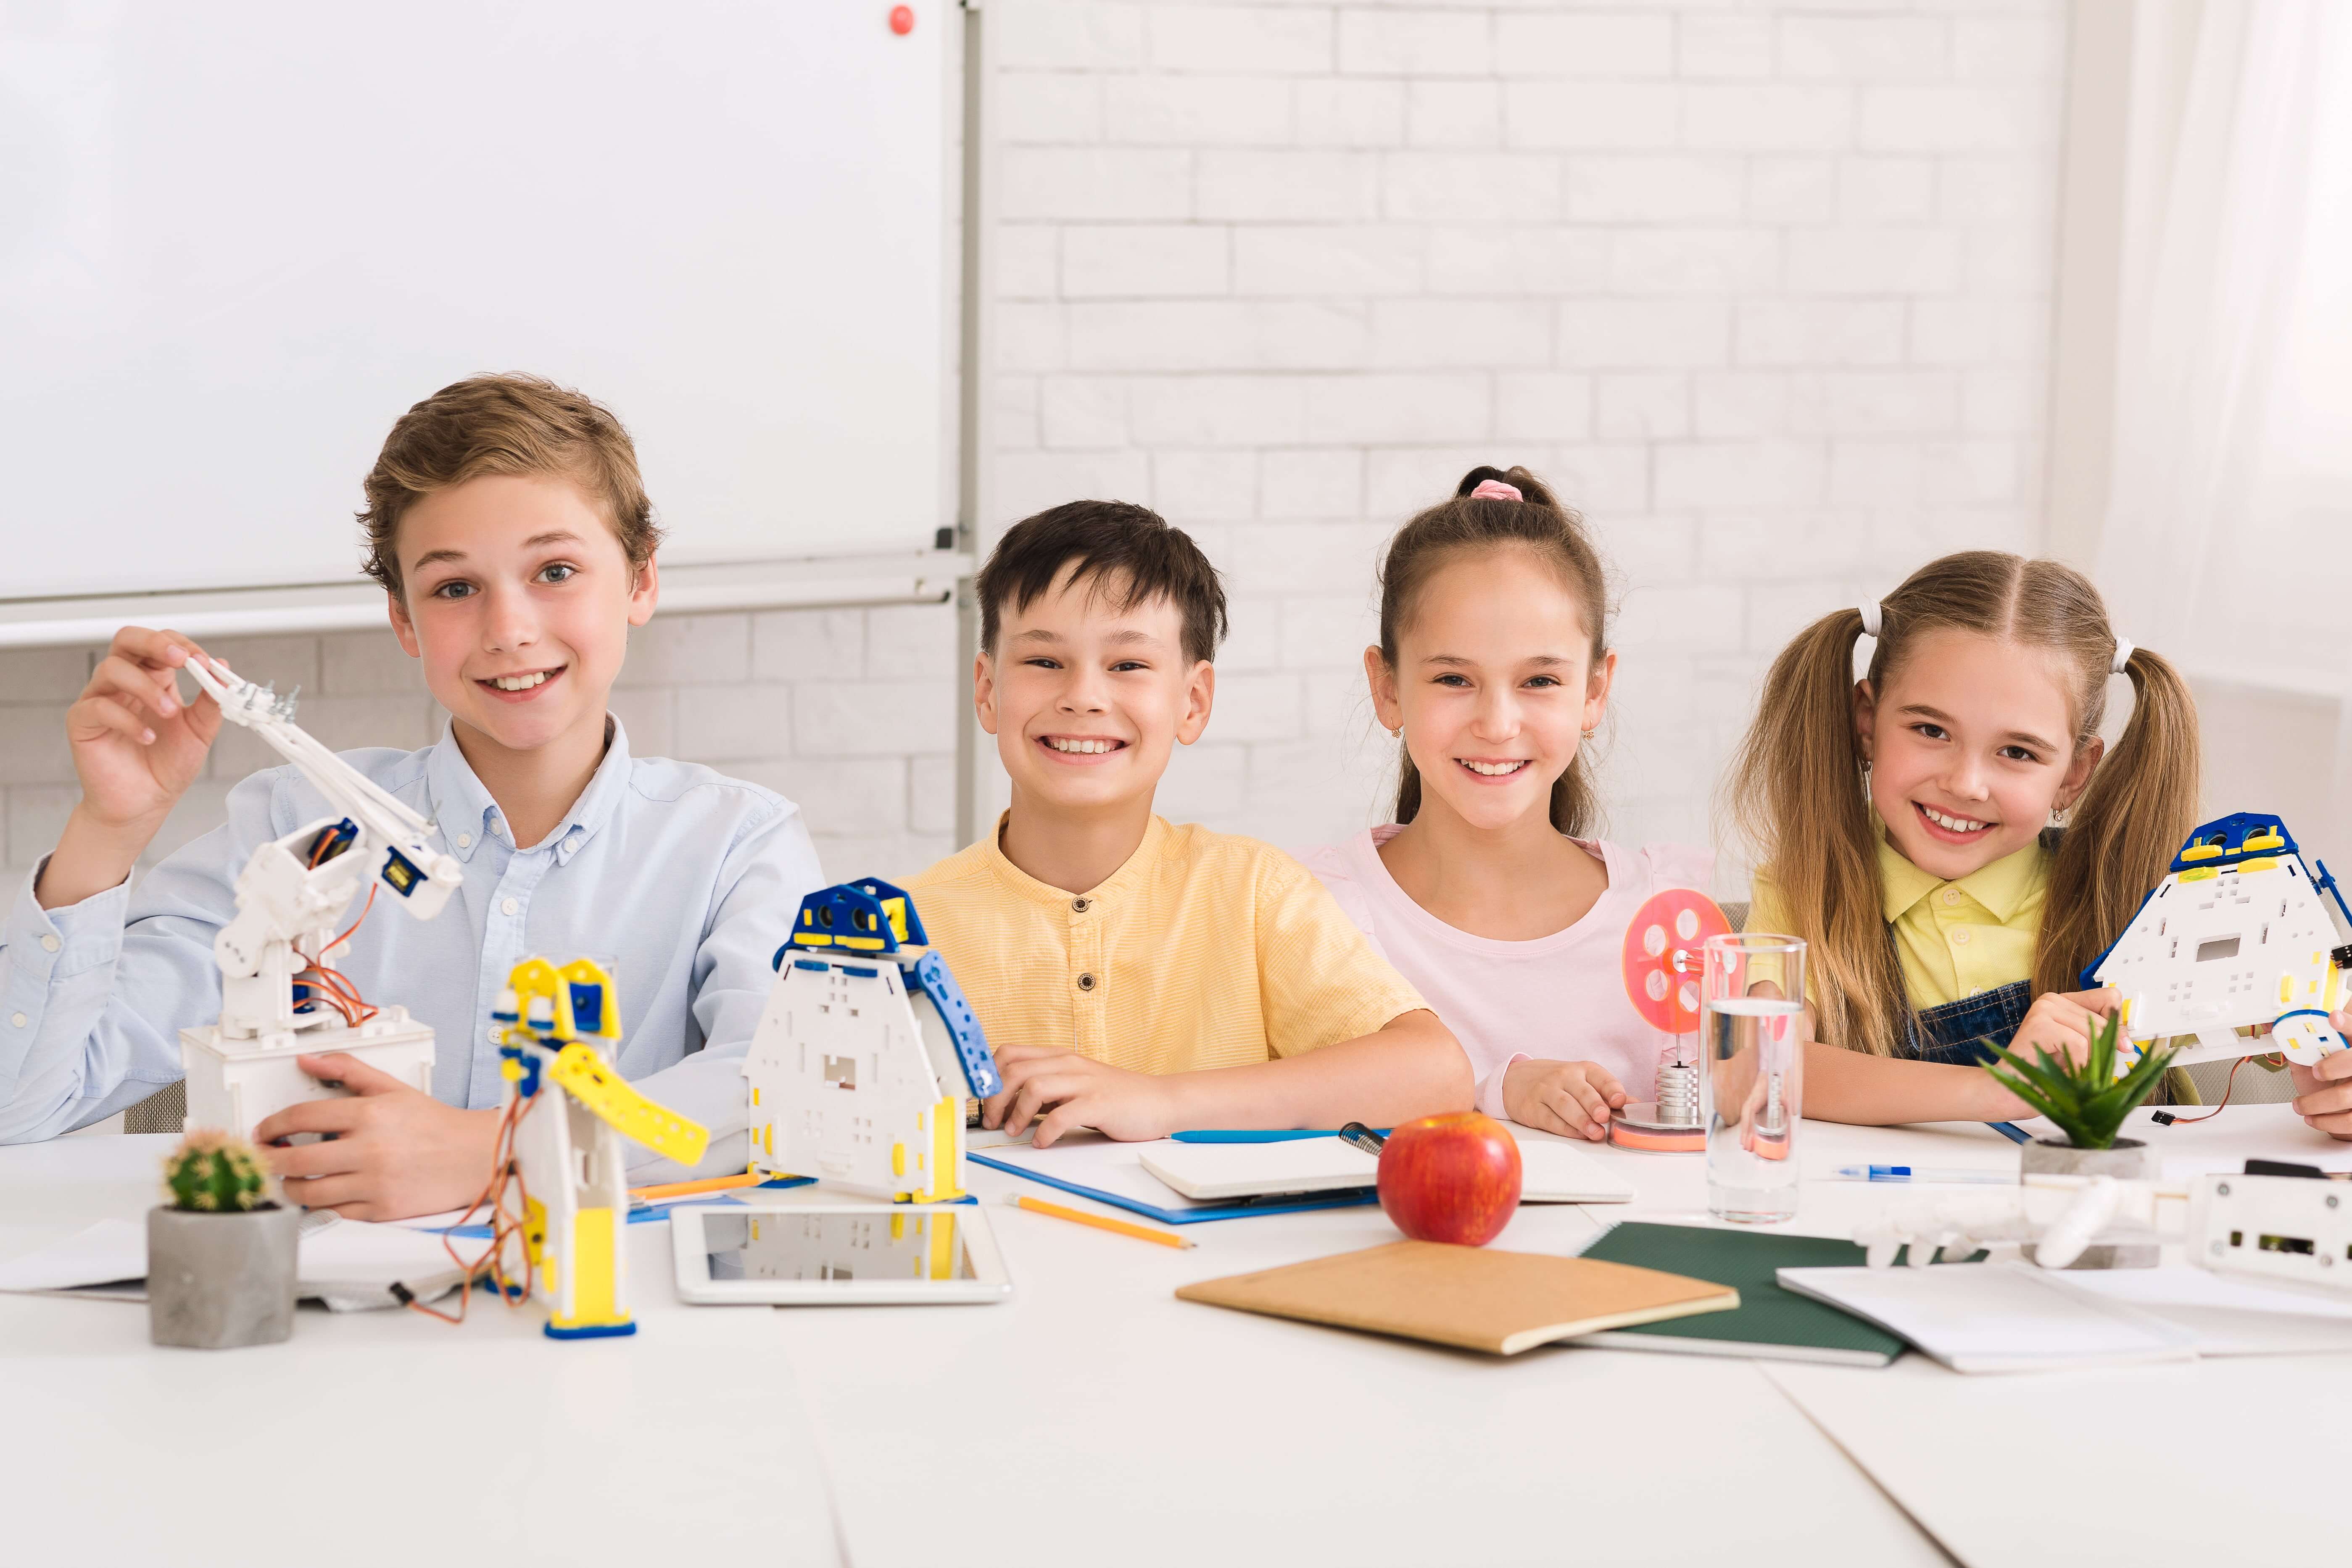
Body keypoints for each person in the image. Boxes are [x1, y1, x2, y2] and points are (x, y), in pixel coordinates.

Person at [0, 374, 823, 1214]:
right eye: (454, 588)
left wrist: (495, 1151)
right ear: (403, 619)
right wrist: (107, 832)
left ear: (640, 582)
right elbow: (23, 1104)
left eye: (556, 570)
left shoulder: (736, 845)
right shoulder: (294, 829)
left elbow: (776, 1090)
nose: (509, 628)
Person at [905, 500, 1471, 1148]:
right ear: (987, 690)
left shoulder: (1252, 892)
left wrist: (1159, 1102)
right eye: (1043, 662)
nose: (1084, 696)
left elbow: (1437, 1074)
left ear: (1193, 701)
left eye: (1128, 666)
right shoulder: (905, 927)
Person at [1729, 550, 2352, 1135]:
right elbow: (1763, 1071)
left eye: (2017, 752)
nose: (1966, 784)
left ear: (2075, 774)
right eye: (1930, 729)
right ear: (1866, 724)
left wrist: (2331, 1078)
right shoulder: (1806, 892)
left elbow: (2293, 1028)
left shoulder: (2145, 897)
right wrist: (1998, 1090)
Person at [1300, 466, 1711, 1142]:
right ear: (1388, 687)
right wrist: (1498, 1090)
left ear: (1595, 691)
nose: (1497, 723)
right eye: (1454, 678)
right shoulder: (1317, 915)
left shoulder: (1672, 928)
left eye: (1540, 680)